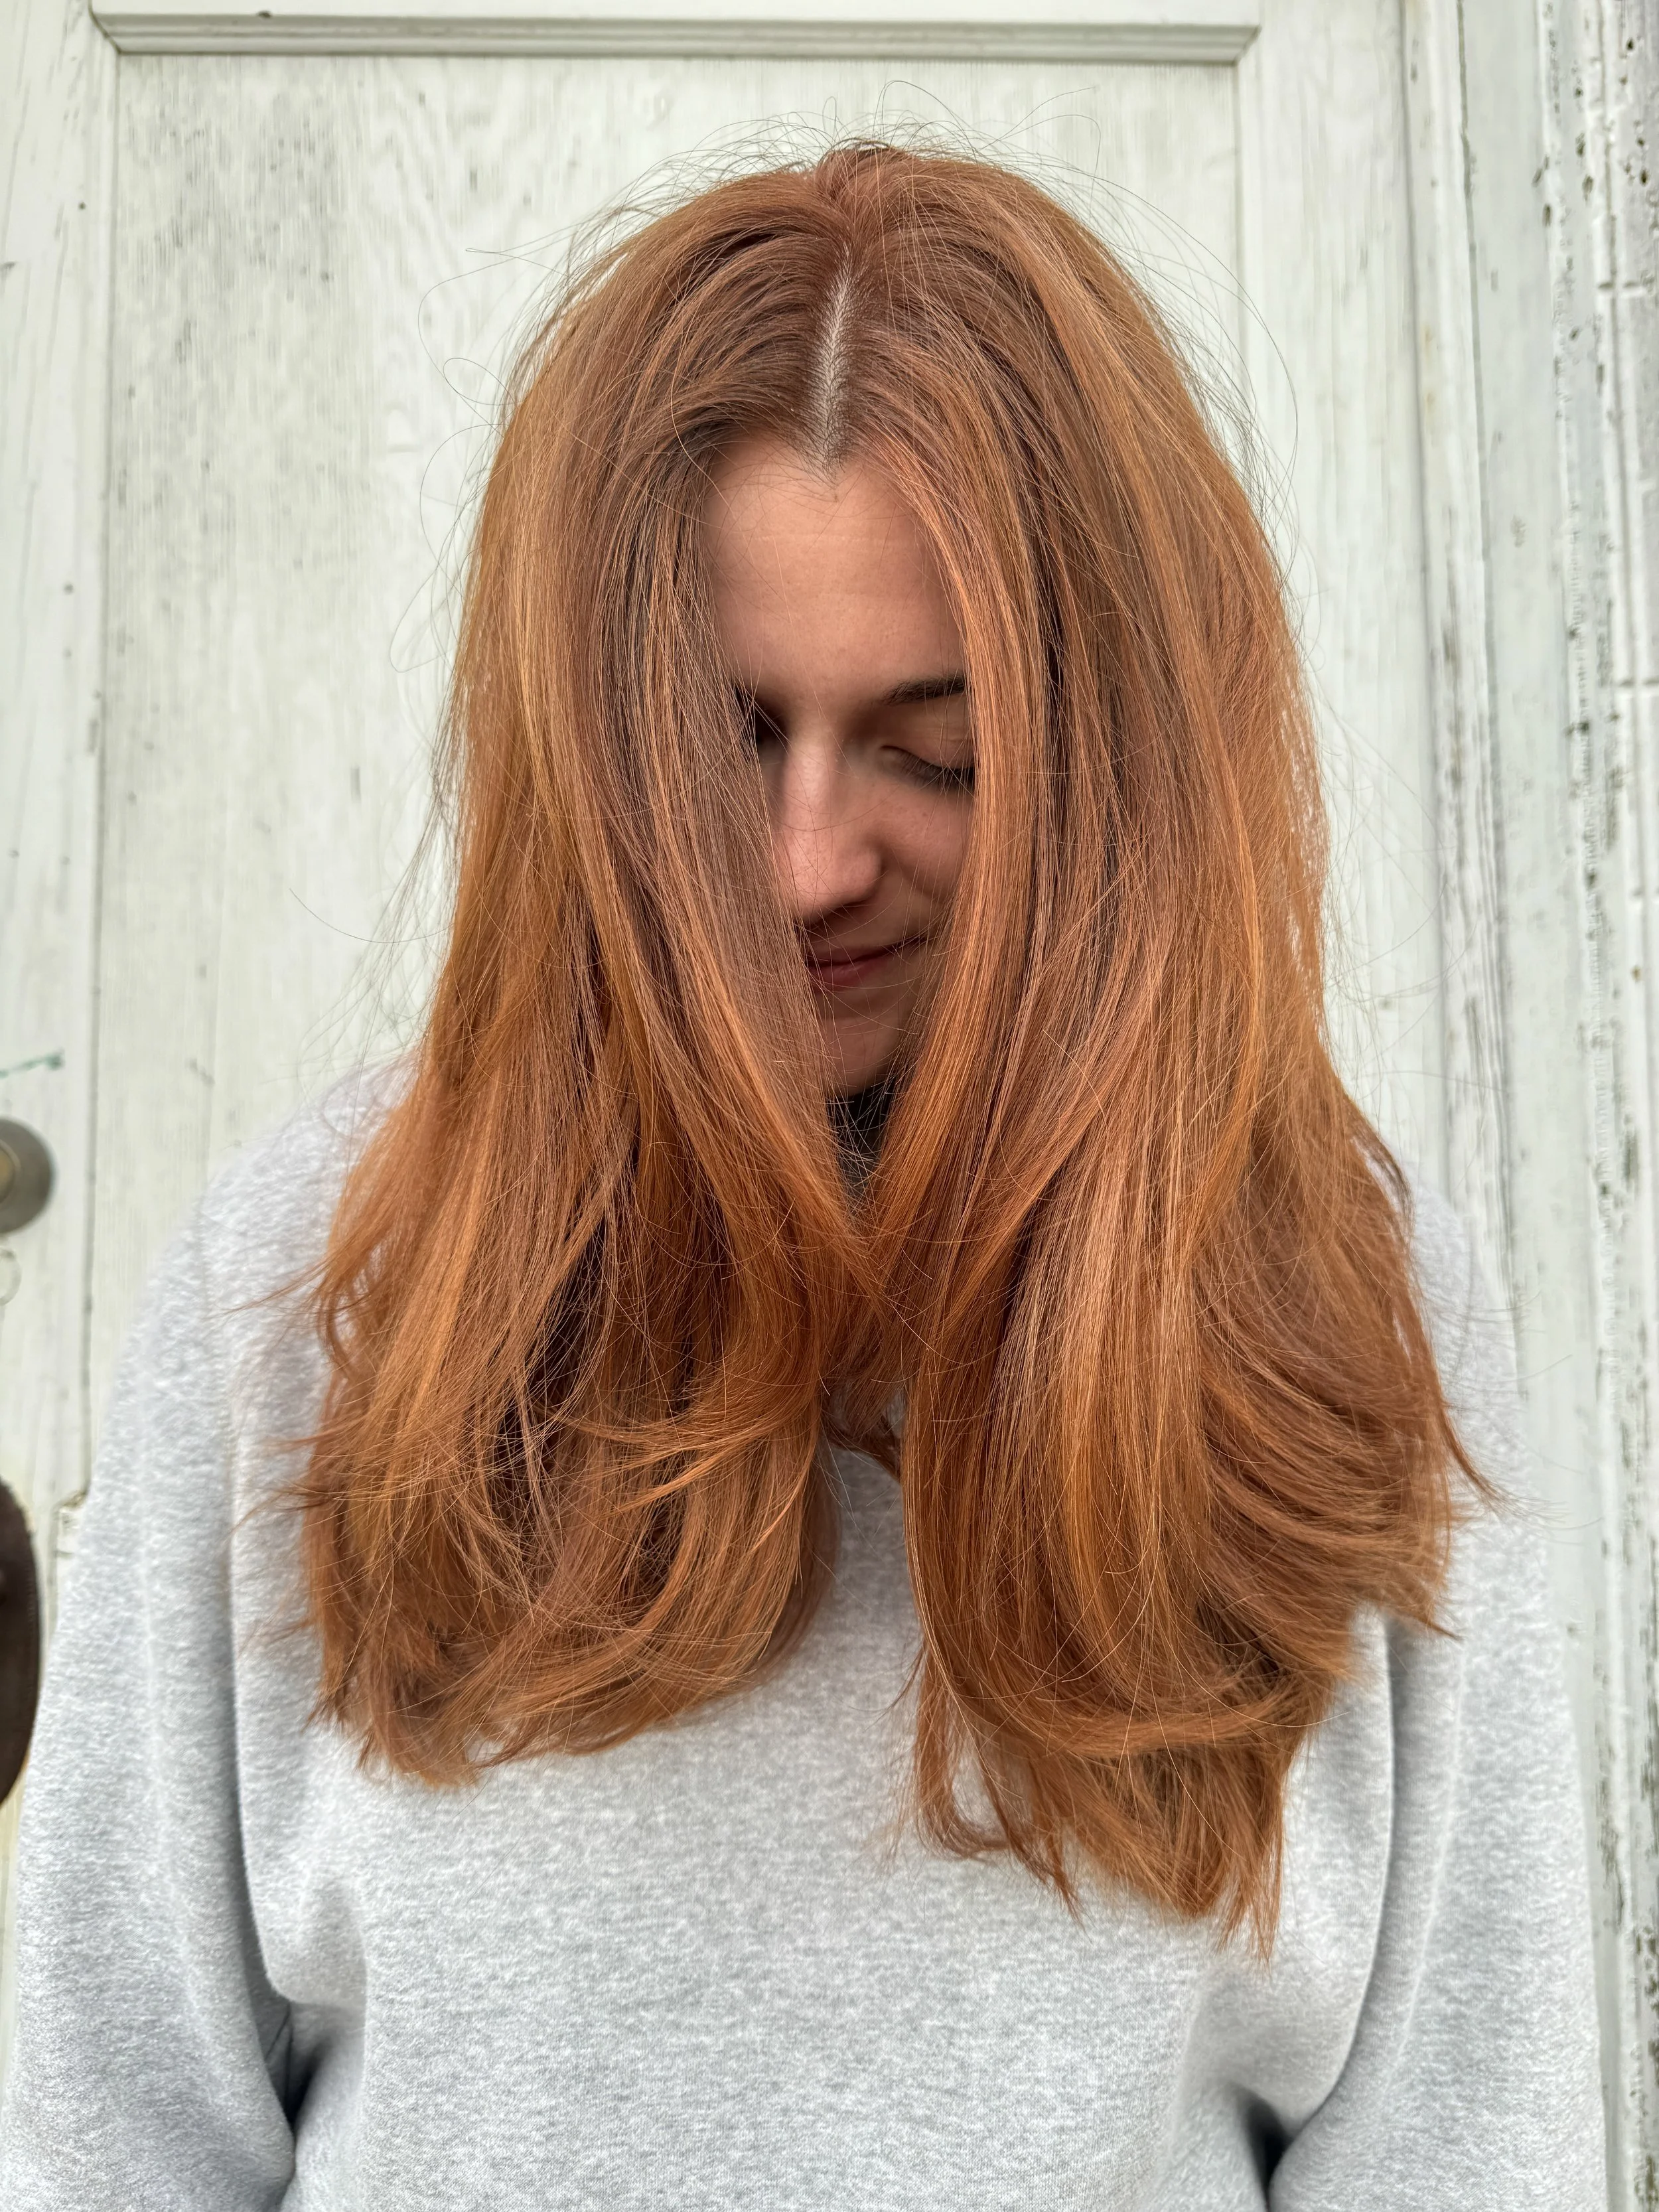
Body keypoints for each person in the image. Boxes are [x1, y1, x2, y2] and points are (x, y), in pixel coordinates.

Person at [0, 143, 1604, 2209]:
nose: (808, 860)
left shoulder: (1340, 1287)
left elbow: (1466, 2140)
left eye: (933, 744)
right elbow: (111, 2122)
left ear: (1107, 758)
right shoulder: (315, 1278)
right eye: (726, 737)